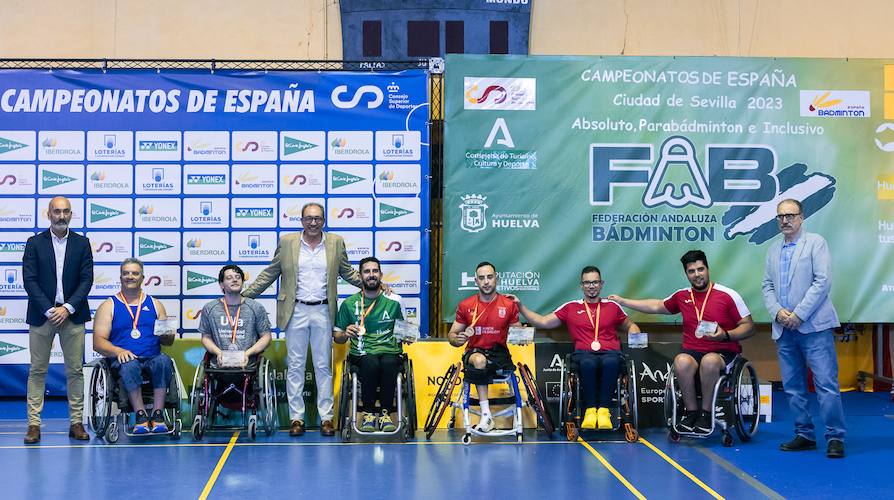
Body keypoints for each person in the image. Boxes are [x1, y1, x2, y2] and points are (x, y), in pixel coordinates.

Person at [242, 202, 362, 437]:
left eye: (317, 218)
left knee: (323, 367)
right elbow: (271, 272)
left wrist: (376, 286)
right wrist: (245, 295)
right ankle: (297, 418)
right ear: (302, 221)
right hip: (294, 310)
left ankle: (326, 418)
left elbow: (347, 271)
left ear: (324, 220)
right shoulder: (287, 242)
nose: (313, 222)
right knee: (295, 366)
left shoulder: (336, 242)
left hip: (323, 311)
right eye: (309, 218)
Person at [609, 250, 754, 434]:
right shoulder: (682, 296)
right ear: (686, 274)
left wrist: (725, 335)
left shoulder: (728, 295)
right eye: (691, 271)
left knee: (709, 360)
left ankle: (706, 414)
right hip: (693, 351)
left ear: (707, 269)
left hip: (723, 351)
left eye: (700, 269)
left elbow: (748, 327)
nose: (697, 275)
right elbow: (656, 306)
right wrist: (624, 301)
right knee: (681, 361)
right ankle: (691, 412)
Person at [761, 199, 844, 458]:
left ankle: (835, 437)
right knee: (793, 387)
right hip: (784, 329)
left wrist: (799, 314)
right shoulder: (773, 249)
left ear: (801, 217)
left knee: (826, 385)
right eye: (780, 216)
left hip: (814, 327)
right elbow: (767, 286)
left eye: (790, 215)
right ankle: (804, 434)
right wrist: (777, 312)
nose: (784, 220)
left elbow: (822, 282)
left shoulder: (816, 243)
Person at [510, 266, 640, 430]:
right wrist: (521, 307)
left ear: (601, 284)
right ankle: (591, 411)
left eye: (595, 282)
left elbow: (630, 325)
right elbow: (543, 321)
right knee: (588, 363)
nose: (591, 286)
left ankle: (604, 411)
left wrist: (635, 334)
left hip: (610, 353)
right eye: (587, 282)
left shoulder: (613, 306)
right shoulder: (570, 307)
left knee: (611, 362)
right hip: (583, 354)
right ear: (581, 285)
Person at [22, 196, 94, 444]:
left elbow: (87, 280)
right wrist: (49, 309)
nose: (61, 216)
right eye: (56, 211)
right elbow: (29, 280)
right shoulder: (34, 243)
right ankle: (33, 424)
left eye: (65, 212)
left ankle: (76, 422)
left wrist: (68, 308)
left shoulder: (82, 243)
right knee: (37, 370)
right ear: (48, 214)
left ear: (71, 214)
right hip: (42, 316)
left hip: (73, 316)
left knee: (75, 371)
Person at [92, 258, 175, 434]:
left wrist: (167, 334)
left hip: (152, 356)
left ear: (142, 277)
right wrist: (118, 350)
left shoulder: (155, 304)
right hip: (123, 359)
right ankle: (141, 415)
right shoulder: (109, 306)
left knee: (164, 361)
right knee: (129, 364)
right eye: (126, 273)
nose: (130, 276)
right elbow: (98, 342)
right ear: (121, 277)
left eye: (135, 273)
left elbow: (168, 342)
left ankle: (158, 414)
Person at [333, 257, 411, 433]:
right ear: (360, 276)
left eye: (375, 271)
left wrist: (408, 336)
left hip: (390, 351)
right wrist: (345, 333)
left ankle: (385, 413)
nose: (371, 275)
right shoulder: (349, 304)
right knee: (370, 361)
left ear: (381, 275)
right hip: (362, 353)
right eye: (367, 272)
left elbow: (405, 331)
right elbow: (338, 337)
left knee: (389, 362)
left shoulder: (395, 300)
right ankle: (368, 413)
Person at [447, 261, 521, 433]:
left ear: (496, 278)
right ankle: (486, 414)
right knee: (479, 360)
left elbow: (517, 333)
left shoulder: (508, 305)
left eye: (489, 277)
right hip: (474, 352)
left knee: (486, 360)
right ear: (476, 281)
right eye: (482, 278)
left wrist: (522, 337)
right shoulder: (466, 305)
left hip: (499, 354)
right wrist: (456, 339)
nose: (486, 281)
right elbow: (452, 335)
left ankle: (488, 415)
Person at [198, 265, 272, 370]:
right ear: (221, 285)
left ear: (242, 282)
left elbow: (266, 337)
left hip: (248, 367)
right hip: (219, 366)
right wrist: (219, 353)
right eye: (229, 278)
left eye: (238, 277)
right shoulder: (210, 308)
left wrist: (247, 354)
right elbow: (206, 338)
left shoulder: (256, 307)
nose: (234, 280)